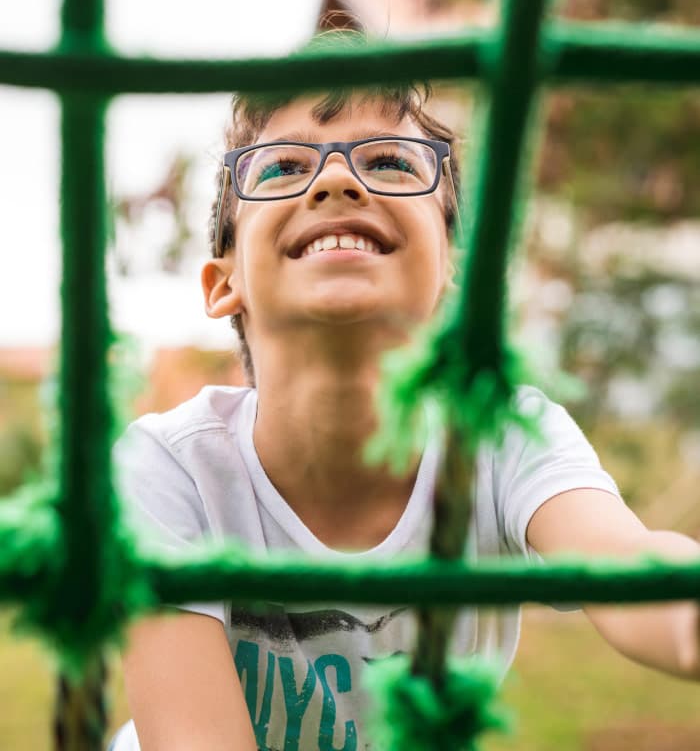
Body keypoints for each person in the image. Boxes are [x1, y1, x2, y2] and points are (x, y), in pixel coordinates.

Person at [108, 78, 700, 751]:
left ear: (453, 270)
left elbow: (638, 573)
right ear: (223, 284)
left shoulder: (499, 435)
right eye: (283, 168)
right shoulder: (167, 467)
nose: (336, 182)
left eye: (389, 162)